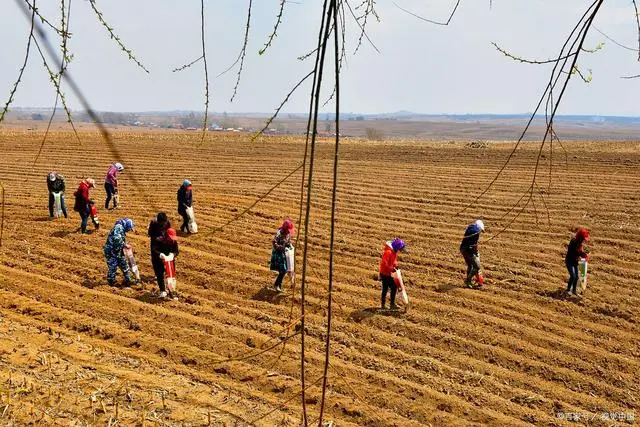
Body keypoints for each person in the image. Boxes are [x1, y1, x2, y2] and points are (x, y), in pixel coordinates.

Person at [103, 217, 135, 286]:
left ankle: (128, 279)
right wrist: (124, 245)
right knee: (113, 267)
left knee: (124, 264)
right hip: (111, 251)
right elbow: (117, 239)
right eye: (129, 228)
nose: (129, 230)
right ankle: (111, 282)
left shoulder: (121, 227)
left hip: (118, 250)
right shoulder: (119, 227)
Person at [379, 238, 406, 310]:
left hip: (390, 273)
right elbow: (384, 264)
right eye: (400, 249)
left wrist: (396, 265)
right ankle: (383, 305)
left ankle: (392, 304)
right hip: (385, 273)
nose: (400, 250)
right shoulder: (388, 252)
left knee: (394, 287)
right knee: (385, 289)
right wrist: (392, 268)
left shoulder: (394, 251)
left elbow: (393, 261)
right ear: (397, 247)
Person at [148, 212, 170, 296]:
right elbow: (150, 233)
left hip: (164, 244)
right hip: (155, 244)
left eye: (163, 223)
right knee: (156, 262)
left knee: (165, 261)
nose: (162, 224)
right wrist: (156, 238)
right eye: (161, 223)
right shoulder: (153, 223)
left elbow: (169, 231)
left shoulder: (167, 222)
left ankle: (164, 274)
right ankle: (158, 275)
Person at [270, 219, 294, 292]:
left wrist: (290, 246)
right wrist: (281, 247)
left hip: (284, 253)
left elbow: (288, 241)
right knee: (283, 270)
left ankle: (278, 286)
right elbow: (274, 242)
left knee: (284, 270)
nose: (289, 231)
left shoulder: (288, 234)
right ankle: (276, 285)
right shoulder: (279, 233)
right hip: (278, 254)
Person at [460, 219, 485, 288]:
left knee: (470, 265)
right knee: (477, 266)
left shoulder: (470, 227)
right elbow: (473, 245)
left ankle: (469, 282)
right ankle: (468, 280)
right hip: (468, 250)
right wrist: (476, 251)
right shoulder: (476, 232)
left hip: (462, 249)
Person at [565, 228, 590, 296]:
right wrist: (581, 254)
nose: (583, 240)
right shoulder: (573, 242)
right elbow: (574, 252)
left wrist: (584, 255)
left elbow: (580, 252)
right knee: (573, 276)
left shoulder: (580, 244)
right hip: (569, 261)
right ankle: (568, 290)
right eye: (583, 239)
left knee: (577, 277)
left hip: (575, 261)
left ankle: (574, 291)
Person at [159, 227, 179, 299]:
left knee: (171, 276)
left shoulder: (174, 242)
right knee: (162, 276)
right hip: (162, 260)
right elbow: (156, 250)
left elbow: (177, 251)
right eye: (170, 238)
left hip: (170, 261)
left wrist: (173, 254)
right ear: (166, 236)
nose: (171, 240)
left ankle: (171, 291)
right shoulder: (161, 241)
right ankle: (163, 290)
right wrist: (161, 255)